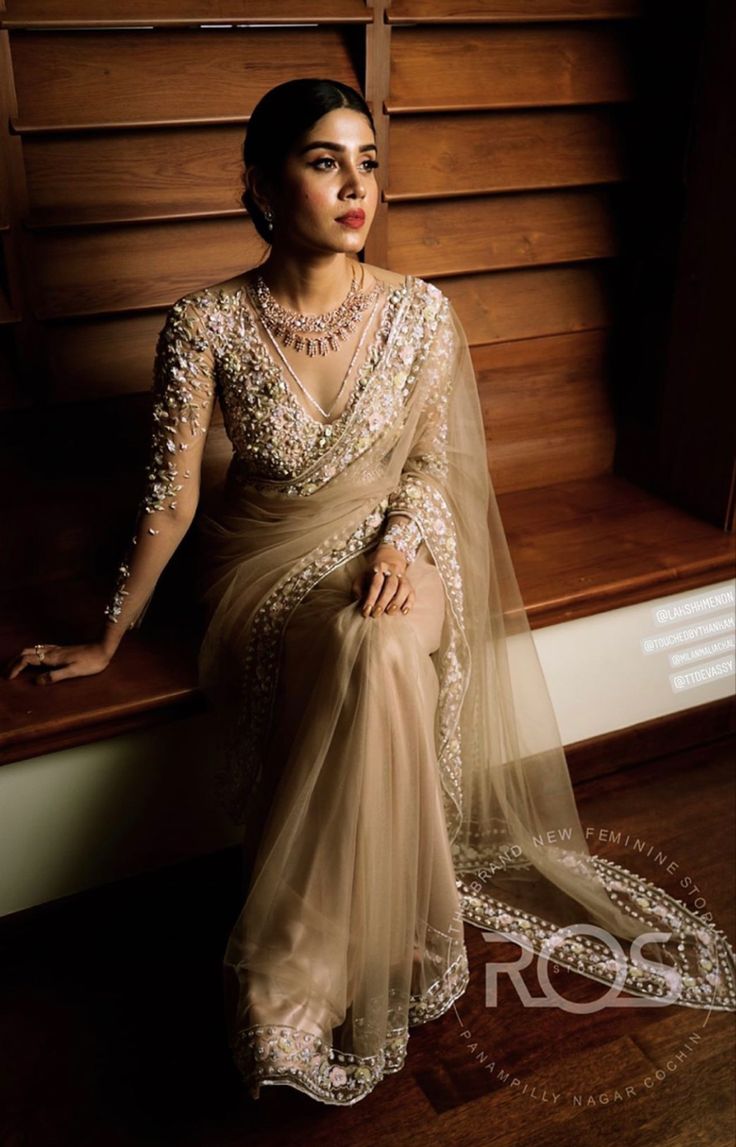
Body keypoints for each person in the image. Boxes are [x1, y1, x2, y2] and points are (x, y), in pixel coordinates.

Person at [6, 79, 735, 1106]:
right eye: (322, 160)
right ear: (261, 184)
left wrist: (401, 540)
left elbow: (433, 468)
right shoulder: (205, 322)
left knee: (384, 638)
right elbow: (168, 501)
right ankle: (381, 931)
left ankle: (293, 967)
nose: (356, 186)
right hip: (265, 563)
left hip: (404, 547)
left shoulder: (422, 311)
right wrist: (110, 635)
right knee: (367, 649)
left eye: (368, 161)